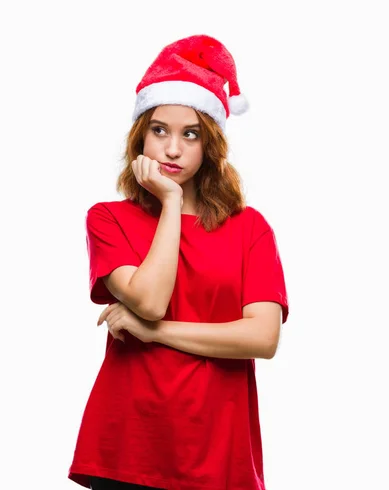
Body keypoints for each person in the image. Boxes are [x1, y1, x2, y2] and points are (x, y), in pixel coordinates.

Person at [67, 34, 289, 490]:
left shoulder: (250, 228)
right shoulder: (108, 218)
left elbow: (263, 338)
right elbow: (149, 299)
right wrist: (170, 203)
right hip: (130, 445)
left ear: (210, 145)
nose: (172, 149)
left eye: (190, 134)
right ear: (140, 136)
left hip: (218, 447)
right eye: (159, 131)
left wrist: (154, 332)